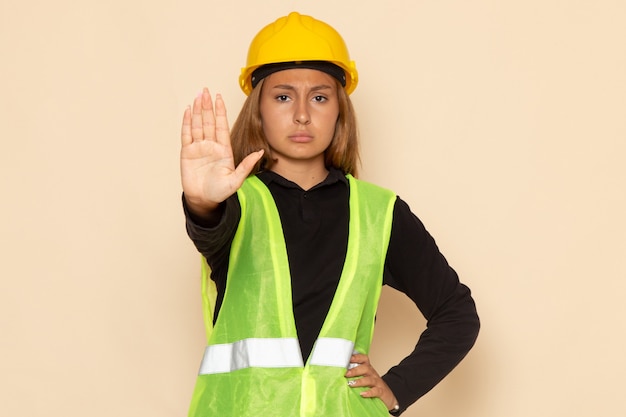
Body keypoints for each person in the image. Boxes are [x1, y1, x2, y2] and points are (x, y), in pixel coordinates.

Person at [180, 11, 479, 417]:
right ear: (259, 108)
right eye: (283, 96)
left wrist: (397, 389)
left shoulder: (379, 213)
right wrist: (202, 202)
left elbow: (456, 313)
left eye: (319, 97)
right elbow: (210, 231)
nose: (302, 114)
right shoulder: (236, 202)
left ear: (340, 109)